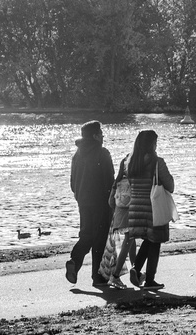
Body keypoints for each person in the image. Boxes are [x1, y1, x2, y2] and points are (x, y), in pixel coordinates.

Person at [121, 130, 173, 288]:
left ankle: (136, 269)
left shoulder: (130, 162)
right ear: (152, 144)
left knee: (148, 240)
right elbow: (170, 186)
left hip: (135, 207)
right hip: (153, 206)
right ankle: (150, 280)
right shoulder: (157, 162)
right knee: (155, 241)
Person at [66, 120, 115, 286]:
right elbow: (109, 180)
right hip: (101, 201)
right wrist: (112, 200)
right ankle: (98, 276)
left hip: (83, 201)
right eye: (101, 133)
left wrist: (79, 195)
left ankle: (75, 260)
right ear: (95, 136)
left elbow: (72, 182)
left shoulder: (77, 155)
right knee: (100, 238)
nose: (103, 136)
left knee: (86, 234)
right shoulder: (102, 153)